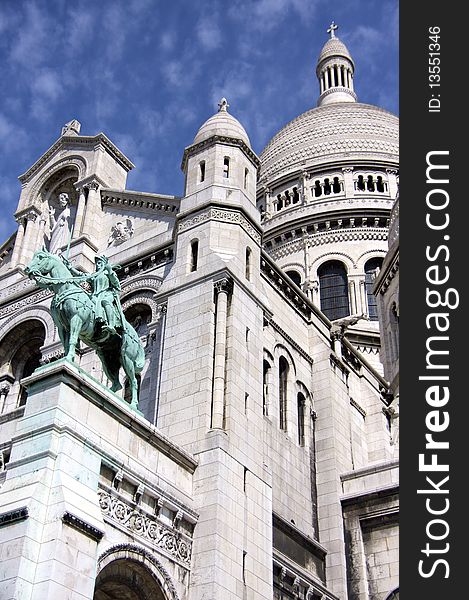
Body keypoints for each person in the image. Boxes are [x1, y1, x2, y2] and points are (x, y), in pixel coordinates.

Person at [63, 254, 123, 336]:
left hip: (107, 293)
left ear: (104, 263)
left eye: (99, 262)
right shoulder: (94, 275)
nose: (98, 265)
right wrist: (70, 268)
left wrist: (110, 271)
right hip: (95, 295)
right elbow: (82, 275)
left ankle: (111, 325)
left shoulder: (107, 272)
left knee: (105, 301)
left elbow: (115, 283)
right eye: (97, 263)